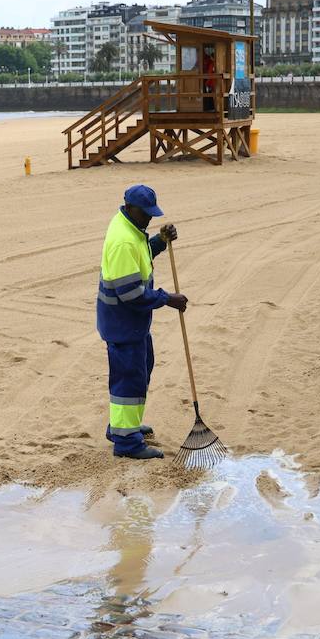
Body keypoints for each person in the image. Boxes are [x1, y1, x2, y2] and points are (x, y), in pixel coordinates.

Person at [96, 184, 188, 460]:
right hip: (123, 322)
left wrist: (160, 241)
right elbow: (131, 294)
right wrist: (167, 299)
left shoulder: (129, 227)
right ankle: (126, 443)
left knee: (139, 370)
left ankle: (123, 426)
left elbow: (141, 255)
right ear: (131, 207)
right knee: (129, 381)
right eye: (146, 214)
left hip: (130, 323)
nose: (150, 218)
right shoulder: (123, 241)